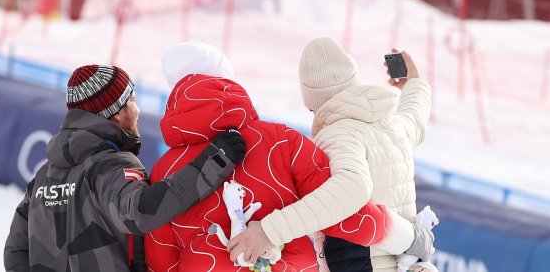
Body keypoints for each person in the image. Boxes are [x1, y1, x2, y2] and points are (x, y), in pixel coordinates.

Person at [145, 41, 434, 271]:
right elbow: (415, 118)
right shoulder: (285, 141)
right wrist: (414, 84)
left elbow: (162, 261)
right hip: (391, 256)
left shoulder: (161, 172)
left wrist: (270, 231)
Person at [4, 64, 247, 272]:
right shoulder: (110, 164)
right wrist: (216, 160)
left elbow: (15, 252)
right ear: (116, 113)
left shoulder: (44, 174)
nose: (137, 110)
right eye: (132, 100)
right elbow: (142, 211)